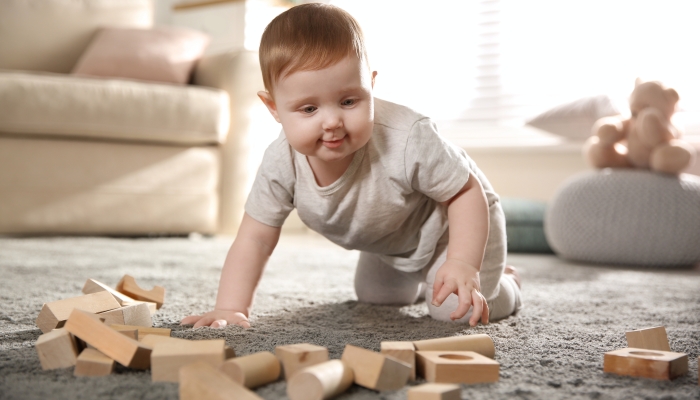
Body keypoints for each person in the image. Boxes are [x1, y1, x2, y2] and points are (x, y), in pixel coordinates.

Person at [181, 3, 521, 330]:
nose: (332, 122)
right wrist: (231, 307)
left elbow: (465, 191)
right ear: (273, 108)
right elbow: (254, 238)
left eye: (348, 101)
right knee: (376, 297)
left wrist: (463, 262)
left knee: (453, 313)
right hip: (392, 240)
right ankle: (427, 277)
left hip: (461, 227)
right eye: (309, 109)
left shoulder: (407, 137)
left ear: (370, 86)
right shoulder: (280, 163)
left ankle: (505, 286)